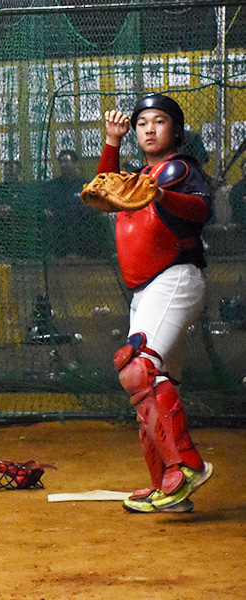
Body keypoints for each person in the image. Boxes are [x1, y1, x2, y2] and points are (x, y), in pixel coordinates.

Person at [94, 93, 213, 513]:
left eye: (159, 121)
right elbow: (104, 190)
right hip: (148, 289)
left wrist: (160, 196)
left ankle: (187, 467)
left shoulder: (179, 170)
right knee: (153, 382)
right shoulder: (141, 177)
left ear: (175, 130)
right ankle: (168, 487)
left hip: (176, 278)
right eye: (142, 122)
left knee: (137, 369)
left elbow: (200, 209)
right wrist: (112, 141)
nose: (148, 128)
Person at [44, 149, 111, 258]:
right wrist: (46, 210)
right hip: (59, 220)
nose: (63, 165)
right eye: (61, 162)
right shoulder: (52, 185)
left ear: (75, 163)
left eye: (66, 161)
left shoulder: (85, 185)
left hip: (82, 220)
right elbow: (46, 203)